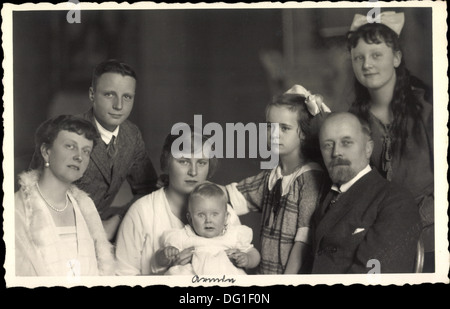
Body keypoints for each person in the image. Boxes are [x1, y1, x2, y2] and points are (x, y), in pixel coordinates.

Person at [347, 11, 434, 271]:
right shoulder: (354, 120)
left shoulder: (428, 108)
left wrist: (415, 218)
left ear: (396, 58)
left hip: (432, 232)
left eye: (376, 55)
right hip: (382, 236)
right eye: (358, 58)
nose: (366, 65)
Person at [225, 85, 329, 274]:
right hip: (266, 273)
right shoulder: (272, 176)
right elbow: (231, 195)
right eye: (269, 126)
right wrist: (182, 187)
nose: (275, 134)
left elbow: (303, 241)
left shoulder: (309, 177)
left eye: (285, 128)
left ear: (304, 133)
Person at [114, 126, 241, 275]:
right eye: (184, 162)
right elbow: (123, 275)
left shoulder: (226, 212)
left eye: (201, 163)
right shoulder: (142, 211)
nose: (193, 172)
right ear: (167, 163)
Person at [311, 112, 421, 273]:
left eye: (346, 142)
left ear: (368, 148)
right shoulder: (326, 199)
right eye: (328, 145)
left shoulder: (395, 200)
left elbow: (372, 278)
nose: (336, 152)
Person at [16, 115, 115, 276]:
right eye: (70, 146)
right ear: (46, 152)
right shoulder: (18, 210)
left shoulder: (86, 206)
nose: (79, 156)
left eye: (86, 151)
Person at [73, 59, 159, 241]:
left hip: (103, 229)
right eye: (109, 95)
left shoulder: (131, 135)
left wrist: (117, 219)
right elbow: (37, 194)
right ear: (92, 95)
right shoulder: (68, 132)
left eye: (127, 97)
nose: (119, 105)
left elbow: (148, 189)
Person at [161, 182, 260, 276]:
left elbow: (254, 254)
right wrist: (167, 253)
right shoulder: (184, 236)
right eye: (201, 215)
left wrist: (248, 259)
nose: (208, 220)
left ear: (226, 217)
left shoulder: (233, 235)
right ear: (190, 219)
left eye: (215, 214)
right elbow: (162, 259)